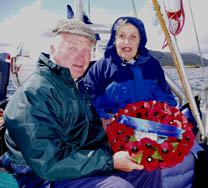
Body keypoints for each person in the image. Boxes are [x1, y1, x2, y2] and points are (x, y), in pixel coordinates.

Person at [1, 19, 162, 188]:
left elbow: (93, 135)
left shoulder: (76, 87)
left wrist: (127, 141)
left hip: (79, 163)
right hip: (43, 178)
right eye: (73, 48)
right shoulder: (33, 95)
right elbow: (48, 163)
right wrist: (110, 161)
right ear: (52, 49)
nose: (82, 57)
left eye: (87, 51)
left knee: (147, 166)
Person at [81, 16, 197, 188]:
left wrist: (163, 117)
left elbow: (166, 98)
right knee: (141, 163)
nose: (126, 41)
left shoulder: (152, 65)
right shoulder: (102, 66)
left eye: (133, 36)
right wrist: (102, 118)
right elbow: (87, 96)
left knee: (179, 143)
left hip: (146, 127)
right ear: (114, 38)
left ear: (140, 40)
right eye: (121, 36)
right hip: (113, 128)